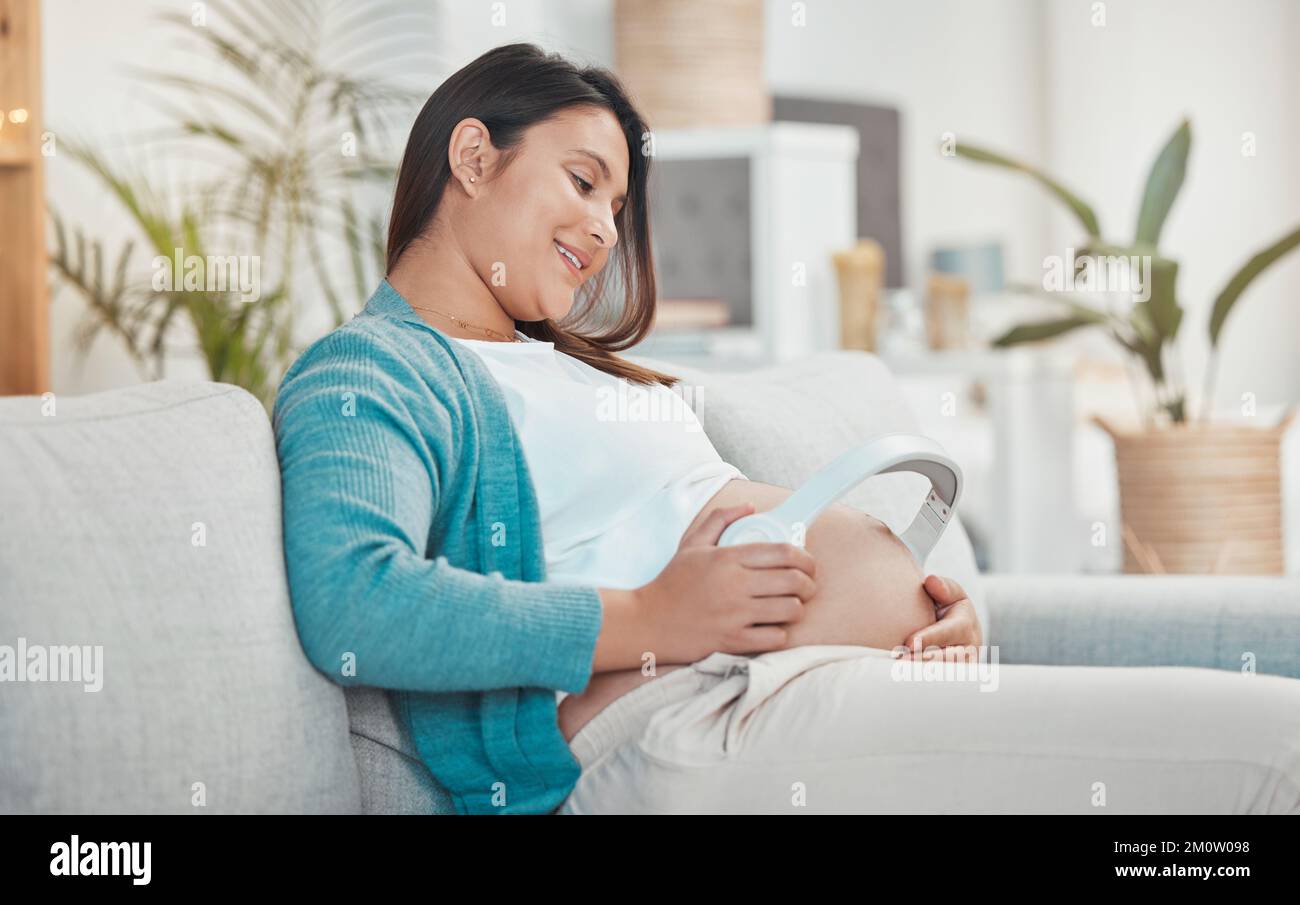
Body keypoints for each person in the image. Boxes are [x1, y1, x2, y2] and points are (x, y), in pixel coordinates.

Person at [273, 43, 1300, 815]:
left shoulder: (561, 365)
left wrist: (925, 623)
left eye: (617, 206)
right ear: (471, 155)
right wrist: (649, 617)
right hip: (689, 720)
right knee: (1271, 751)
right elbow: (357, 601)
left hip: (800, 688)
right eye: (583, 181)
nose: (602, 228)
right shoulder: (375, 368)